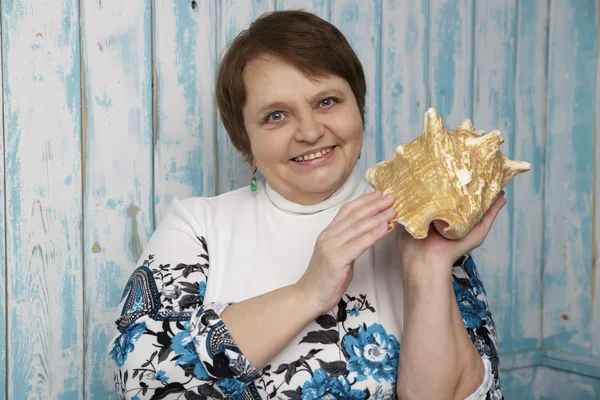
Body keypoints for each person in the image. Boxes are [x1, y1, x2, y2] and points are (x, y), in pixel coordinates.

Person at [109, 10, 504, 400]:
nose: (311, 131)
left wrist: (429, 267)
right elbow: (142, 381)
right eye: (276, 115)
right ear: (245, 143)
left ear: (359, 109)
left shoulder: (419, 224)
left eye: (328, 101)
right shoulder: (198, 228)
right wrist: (308, 292)